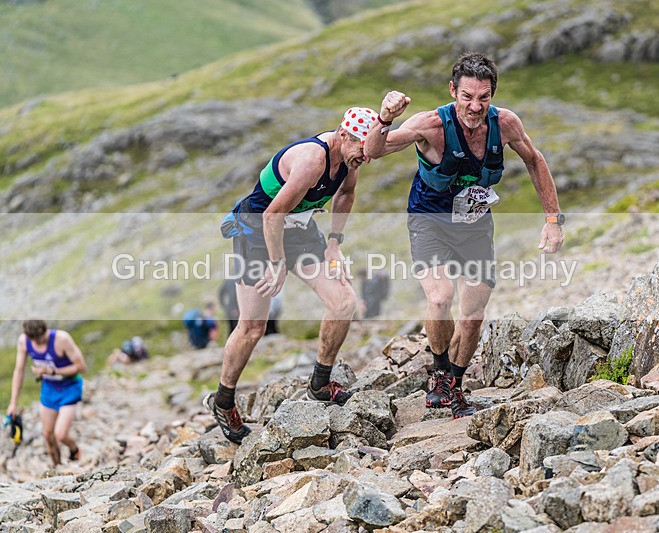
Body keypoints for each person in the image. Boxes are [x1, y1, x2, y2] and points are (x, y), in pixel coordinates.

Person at [364, 52, 564, 419]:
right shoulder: (430, 125)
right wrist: (384, 119)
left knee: (472, 316)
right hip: (429, 220)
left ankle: (455, 385)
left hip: (474, 223)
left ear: (492, 95)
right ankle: (439, 373)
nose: (475, 106)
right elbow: (373, 151)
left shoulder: (505, 124)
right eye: (467, 97)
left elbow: (535, 160)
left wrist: (553, 219)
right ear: (453, 90)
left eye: (483, 98)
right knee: (440, 297)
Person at [205, 106, 378, 443]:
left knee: (344, 302)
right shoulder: (313, 160)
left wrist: (334, 244)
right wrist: (276, 262)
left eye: (370, 152)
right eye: (361, 149)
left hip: (299, 230)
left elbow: (346, 193)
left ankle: (320, 383)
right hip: (258, 231)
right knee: (253, 327)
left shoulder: (352, 159)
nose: (365, 158)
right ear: (344, 135)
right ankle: (223, 401)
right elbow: (273, 215)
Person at [7, 319, 88, 467]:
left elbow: (81, 367)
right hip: (49, 389)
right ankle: (57, 468)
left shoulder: (62, 339)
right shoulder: (24, 341)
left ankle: (74, 449)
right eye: (35, 340)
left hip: (70, 388)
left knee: (61, 434)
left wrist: (52, 371)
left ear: (47, 330)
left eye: (41, 339)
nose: (38, 343)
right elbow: (19, 370)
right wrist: (13, 403)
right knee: (48, 435)